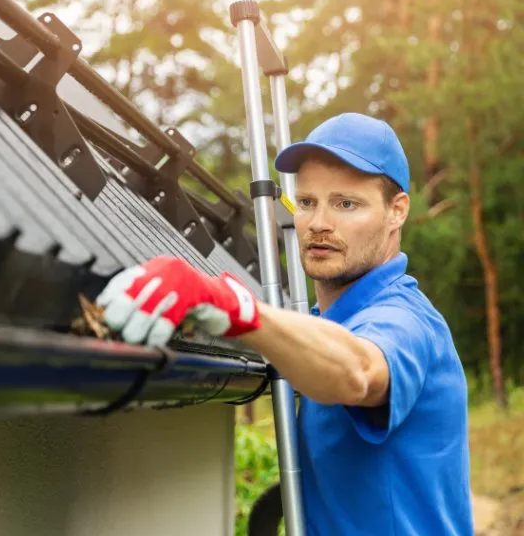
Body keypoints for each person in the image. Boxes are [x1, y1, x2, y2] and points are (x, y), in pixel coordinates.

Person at [94, 113, 473, 536]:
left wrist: (236, 307)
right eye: (307, 202)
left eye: (346, 203)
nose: (319, 223)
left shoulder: (404, 318)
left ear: (396, 211)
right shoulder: (320, 325)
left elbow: (359, 372)